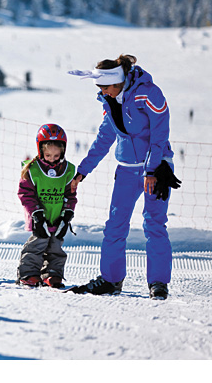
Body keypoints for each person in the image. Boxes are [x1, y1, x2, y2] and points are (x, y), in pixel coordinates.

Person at [68, 54, 181, 300]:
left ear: (118, 80)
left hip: (156, 167)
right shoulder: (109, 101)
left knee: (154, 223)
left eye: (105, 87)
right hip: (127, 168)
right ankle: (110, 279)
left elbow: (160, 134)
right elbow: (105, 138)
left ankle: (158, 283)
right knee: (115, 226)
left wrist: (152, 169)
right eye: (99, 88)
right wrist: (82, 172)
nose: (102, 92)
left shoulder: (149, 93)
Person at [16, 124, 77, 288]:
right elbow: (25, 194)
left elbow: (70, 195)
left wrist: (67, 213)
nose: (52, 158)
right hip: (39, 217)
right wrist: (36, 213)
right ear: (40, 150)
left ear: (63, 151)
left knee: (56, 247)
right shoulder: (32, 170)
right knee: (37, 245)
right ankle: (28, 274)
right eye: (48, 155)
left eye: (56, 155)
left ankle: (52, 274)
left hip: (57, 216)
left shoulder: (68, 170)